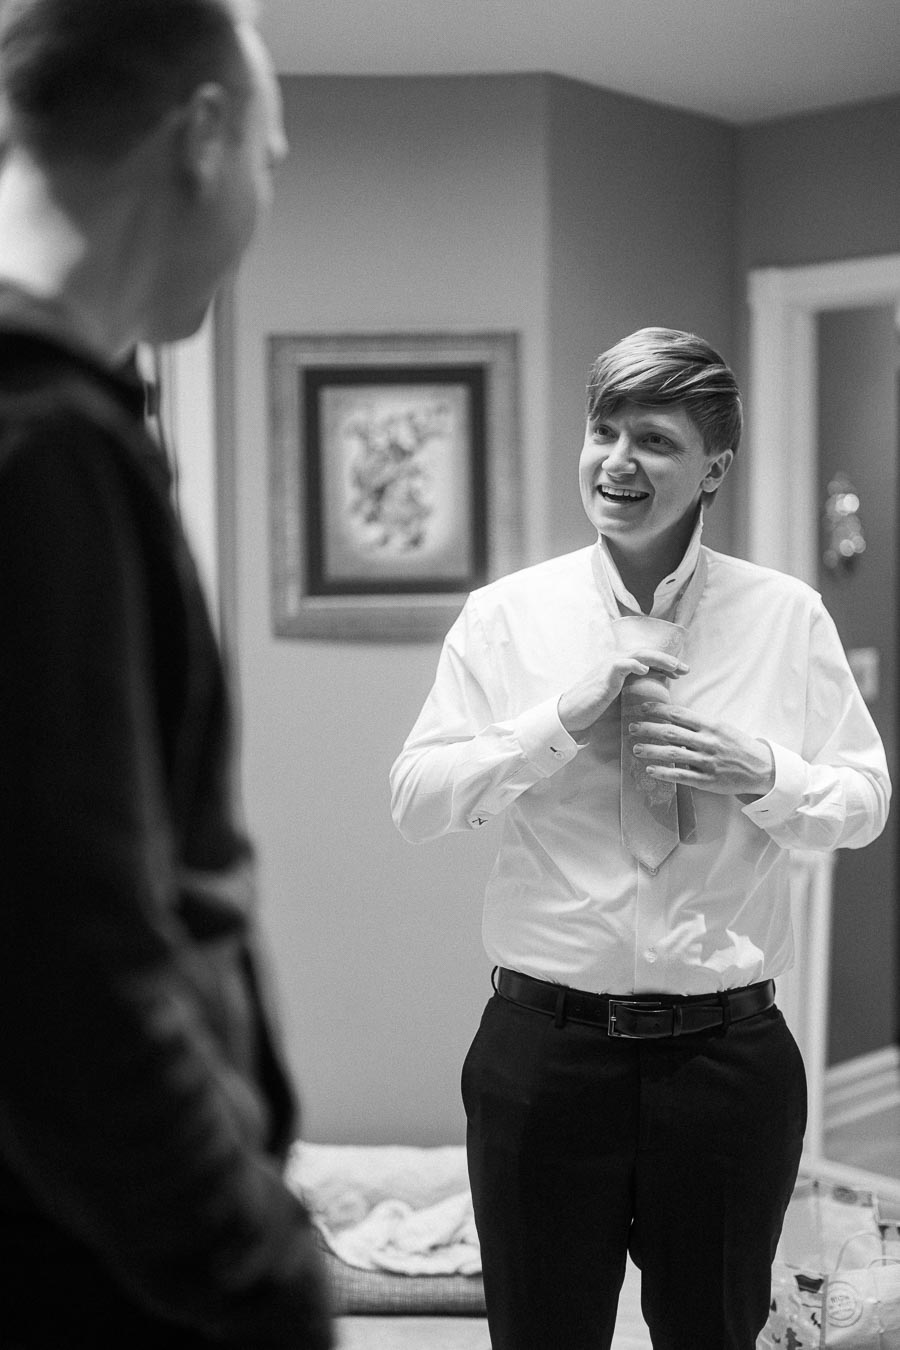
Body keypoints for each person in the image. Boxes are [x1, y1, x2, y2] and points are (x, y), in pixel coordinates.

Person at [390, 327, 890, 1350]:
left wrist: (763, 774)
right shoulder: (505, 619)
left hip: (728, 1063)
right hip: (543, 1057)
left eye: (653, 439)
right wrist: (552, 727)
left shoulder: (786, 619)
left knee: (712, 1336)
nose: (617, 461)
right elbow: (418, 798)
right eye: (603, 430)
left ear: (715, 466)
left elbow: (864, 801)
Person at [0, 1, 332, 1346]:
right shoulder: (47, 451)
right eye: (270, 156)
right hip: (99, 1277)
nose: (262, 198)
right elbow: (67, 958)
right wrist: (259, 1270)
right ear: (201, 136)